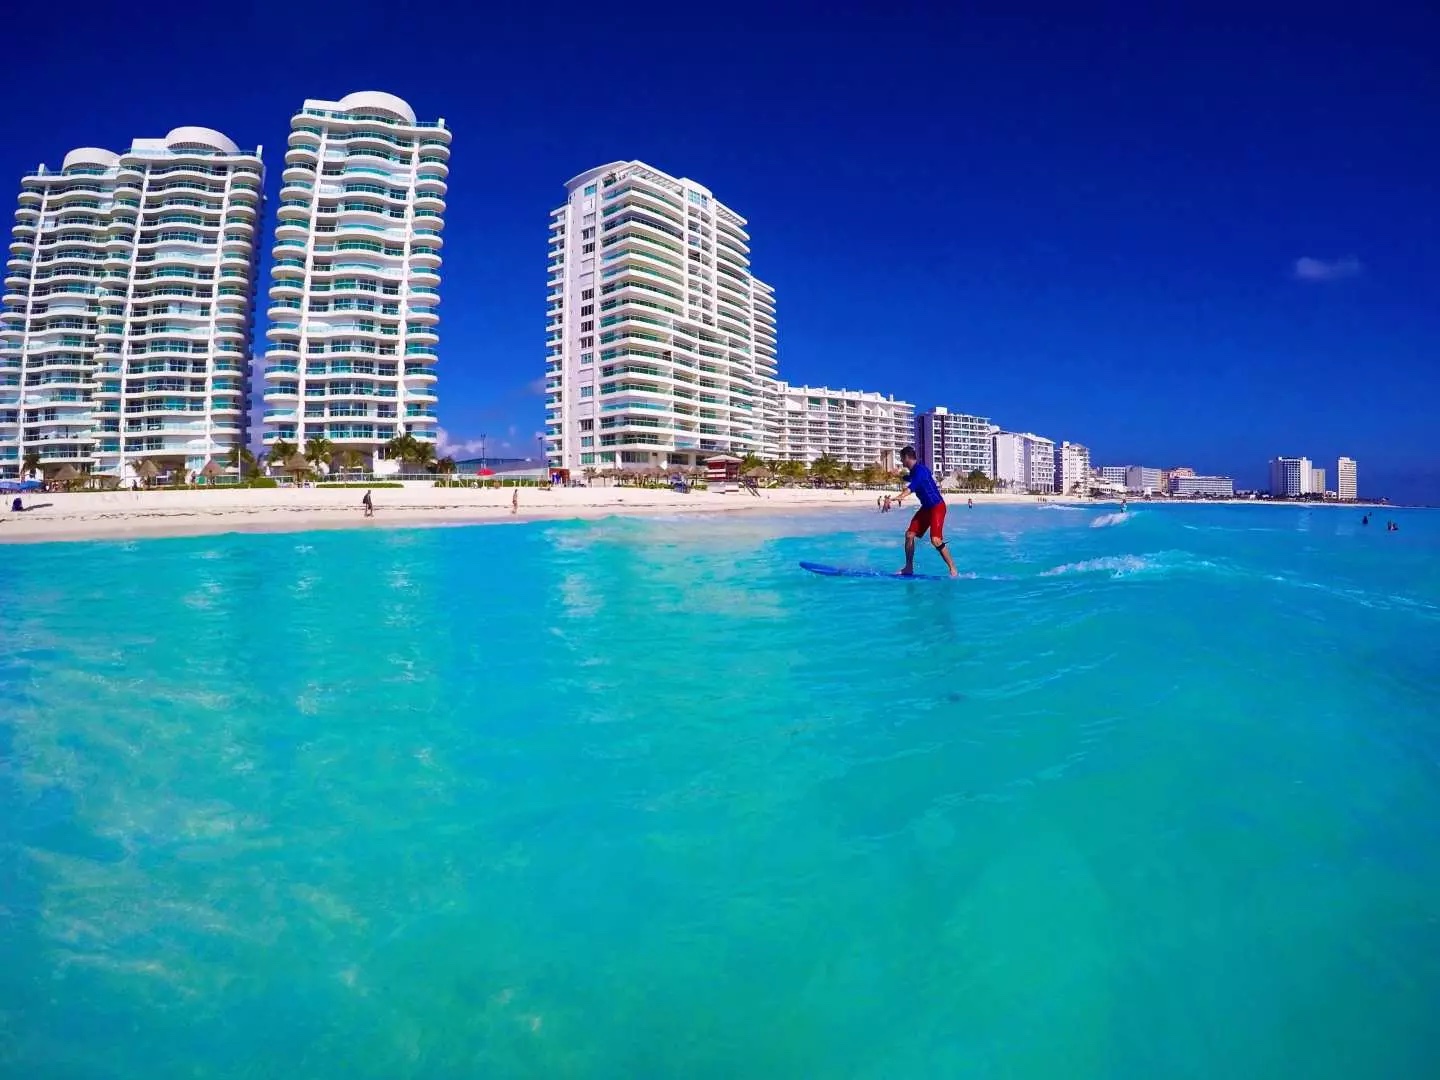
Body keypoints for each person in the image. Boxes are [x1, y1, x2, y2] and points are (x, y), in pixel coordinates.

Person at [894, 445, 959, 577]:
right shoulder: (915, 472)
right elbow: (911, 478)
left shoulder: (920, 471)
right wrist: (902, 477)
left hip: (937, 507)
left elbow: (913, 485)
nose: (901, 461)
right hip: (926, 508)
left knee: (936, 540)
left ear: (906, 457)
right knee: (909, 535)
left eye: (901, 459)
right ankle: (908, 568)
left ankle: (953, 569)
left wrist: (901, 496)